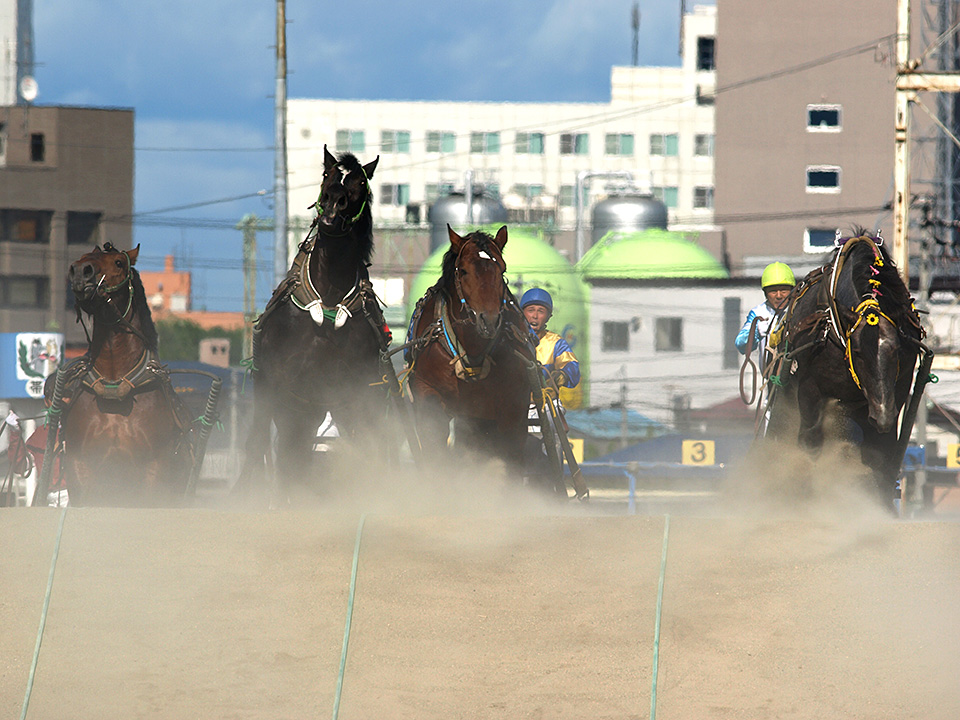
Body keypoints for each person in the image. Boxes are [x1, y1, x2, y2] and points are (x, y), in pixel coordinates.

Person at [520, 288, 580, 395]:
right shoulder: (510, 339)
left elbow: (572, 368)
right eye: (530, 310)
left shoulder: (556, 343)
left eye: (541, 311)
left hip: (545, 404)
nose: (535, 316)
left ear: (548, 317)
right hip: (514, 405)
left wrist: (562, 375)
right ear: (521, 313)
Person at [735, 261, 796, 361]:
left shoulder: (800, 308)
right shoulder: (758, 313)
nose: (779, 296)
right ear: (765, 293)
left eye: (784, 290)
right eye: (773, 291)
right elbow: (741, 346)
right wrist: (753, 333)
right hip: (769, 375)